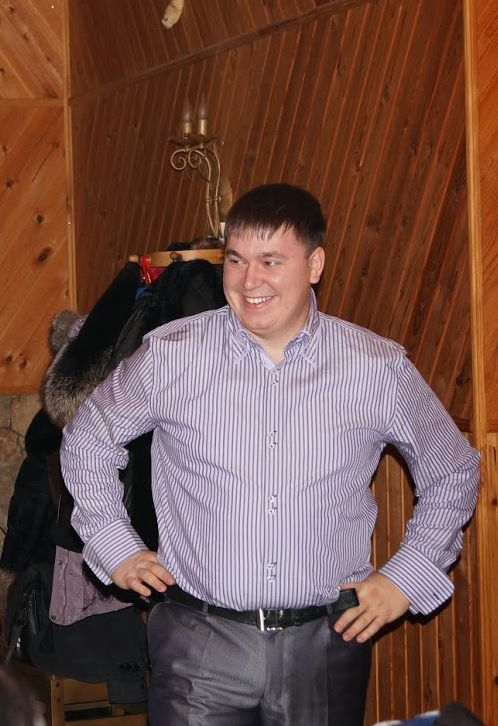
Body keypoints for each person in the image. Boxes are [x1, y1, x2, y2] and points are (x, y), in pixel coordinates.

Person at [60, 183, 480, 726]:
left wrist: (407, 576)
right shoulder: (170, 357)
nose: (249, 280)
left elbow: (453, 470)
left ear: (314, 265)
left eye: (270, 261)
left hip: (325, 646)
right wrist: (115, 545)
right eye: (235, 260)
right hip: (198, 647)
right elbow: (88, 438)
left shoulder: (376, 368)